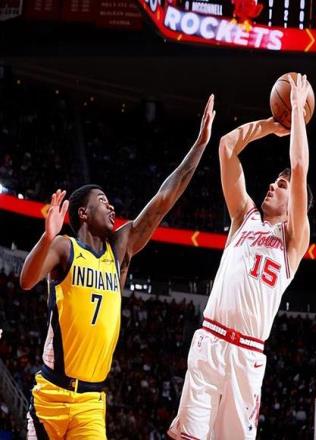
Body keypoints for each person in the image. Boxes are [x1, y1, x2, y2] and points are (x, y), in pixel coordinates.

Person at [19, 95, 216, 439]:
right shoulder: (65, 247)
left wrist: (199, 146)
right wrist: (46, 238)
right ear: (83, 213)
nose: (111, 208)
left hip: (91, 402)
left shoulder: (119, 249)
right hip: (51, 393)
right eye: (103, 202)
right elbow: (26, 280)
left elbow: (163, 200)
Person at [168, 75, 312, 439]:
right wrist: (270, 125)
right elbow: (227, 146)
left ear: (294, 203)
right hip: (210, 341)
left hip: (247, 357)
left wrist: (296, 109)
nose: (272, 185)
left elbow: (299, 169)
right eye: (274, 181)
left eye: (281, 186)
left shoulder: (293, 240)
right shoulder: (243, 217)